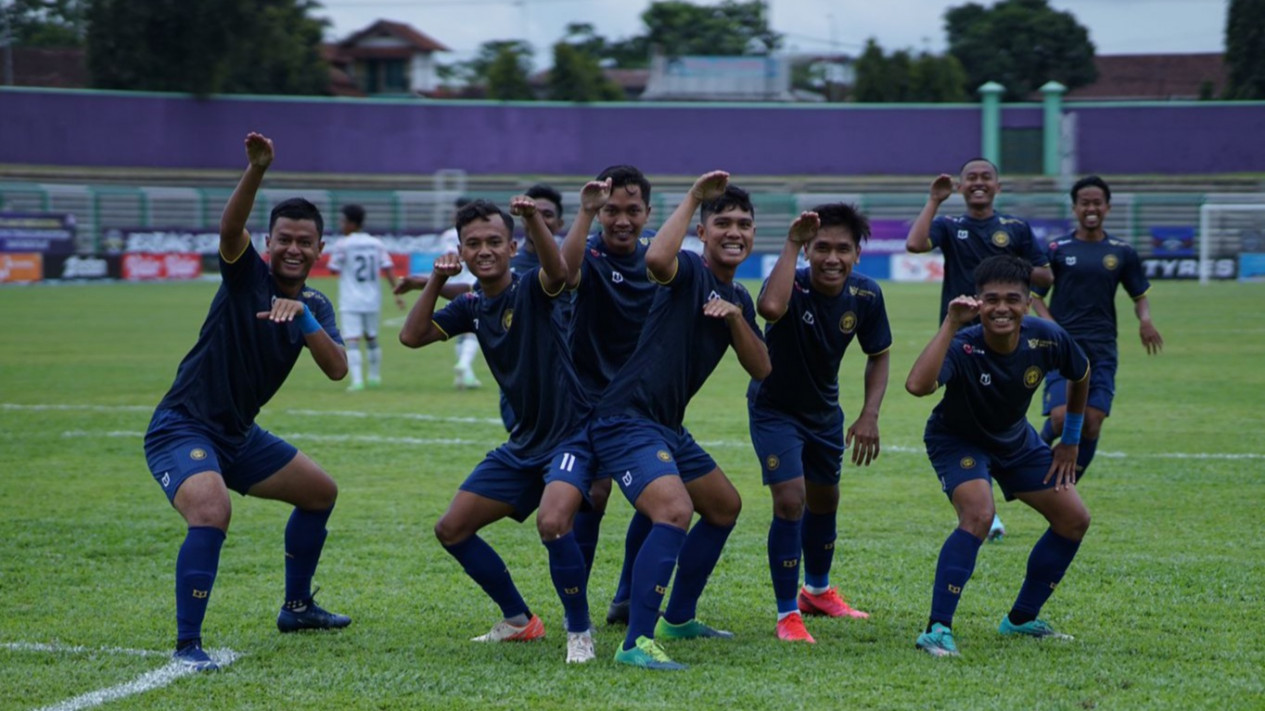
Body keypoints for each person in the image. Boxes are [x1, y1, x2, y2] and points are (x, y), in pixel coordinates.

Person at [143, 133, 352, 672]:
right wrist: (256, 168)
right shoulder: (246, 277)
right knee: (212, 510)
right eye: (284, 239)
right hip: (183, 427)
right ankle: (187, 647)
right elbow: (229, 230)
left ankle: (298, 608)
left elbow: (337, 369)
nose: (294, 249)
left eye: (305, 242)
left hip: (237, 435)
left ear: (318, 249)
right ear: (269, 241)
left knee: (320, 493)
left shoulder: (314, 303)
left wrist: (303, 315)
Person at [399, 197, 598, 664]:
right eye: (473, 243)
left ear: (512, 247)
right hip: (524, 444)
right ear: (461, 251)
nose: (484, 250)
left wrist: (533, 220)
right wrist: (436, 279)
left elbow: (559, 272)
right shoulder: (470, 305)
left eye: (493, 241)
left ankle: (579, 632)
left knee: (552, 523)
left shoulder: (532, 288)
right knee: (452, 528)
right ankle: (518, 620)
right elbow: (412, 335)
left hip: (571, 437)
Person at [590, 171, 771, 671]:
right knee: (674, 510)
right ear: (703, 232)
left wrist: (736, 318)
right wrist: (694, 196)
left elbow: (762, 368)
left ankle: (679, 618)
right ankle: (636, 643)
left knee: (724, 506)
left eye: (744, 224)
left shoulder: (739, 298)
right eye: (724, 223)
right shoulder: (689, 270)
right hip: (625, 419)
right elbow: (655, 259)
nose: (735, 231)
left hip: (667, 425)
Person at [905, 255, 1091, 658]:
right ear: (978, 302)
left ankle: (1021, 620)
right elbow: (918, 386)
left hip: (1014, 440)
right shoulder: (963, 342)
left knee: (1074, 519)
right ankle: (937, 630)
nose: (1001, 308)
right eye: (991, 300)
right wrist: (951, 322)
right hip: (957, 440)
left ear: (1027, 303)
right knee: (978, 515)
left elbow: (1081, 373)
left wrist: (1071, 440)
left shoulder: (1047, 337)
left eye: (1012, 299)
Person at [748, 203, 892, 644]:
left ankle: (817, 590)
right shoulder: (791, 283)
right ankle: (787, 613)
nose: (833, 258)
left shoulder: (866, 296)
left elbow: (879, 353)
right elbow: (770, 308)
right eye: (822, 247)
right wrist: (791, 241)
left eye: (843, 249)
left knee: (825, 500)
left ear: (857, 254)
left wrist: (869, 414)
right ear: (807, 249)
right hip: (775, 408)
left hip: (825, 412)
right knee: (791, 502)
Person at [905, 157, 1054, 542]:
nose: (978, 182)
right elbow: (915, 243)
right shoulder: (952, 227)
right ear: (960, 186)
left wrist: (1008, 270)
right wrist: (934, 201)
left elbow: (1044, 275)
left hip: (1007, 339)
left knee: (996, 412)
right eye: (970, 177)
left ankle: (989, 494)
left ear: (998, 186)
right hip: (962, 340)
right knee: (966, 415)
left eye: (986, 177)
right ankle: (981, 500)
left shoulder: (1015, 228)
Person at [557, 166, 658, 622]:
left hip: (642, 403)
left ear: (647, 212)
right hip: (588, 400)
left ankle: (626, 597)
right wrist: (584, 211)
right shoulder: (589, 253)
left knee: (662, 499)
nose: (621, 220)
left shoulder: (659, 257)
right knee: (592, 497)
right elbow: (564, 272)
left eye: (632, 210)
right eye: (610, 210)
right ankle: (574, 610)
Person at [1032, 176, 1163, 479]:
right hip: (1061, 347)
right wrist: (1054, 328)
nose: (1091, 208)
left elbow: (1139, 296)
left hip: (1102, 347)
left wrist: (1145, 321)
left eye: (1097, 203)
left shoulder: (1122, 252)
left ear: (1107, 207)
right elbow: (1035, 298)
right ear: (1075, 208)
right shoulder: (1057, 249)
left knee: (1092, 420)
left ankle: (1066, 486)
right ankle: (1030, 458)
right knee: (1063, 417)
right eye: (1084, 203)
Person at [325, 204, 405, 391]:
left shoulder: (342, 244)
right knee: (371, 338)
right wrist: (397, 294)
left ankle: (357, 381)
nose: (341, 225)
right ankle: (375, 377)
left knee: (352, 340)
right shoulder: (376, 243)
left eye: (343, 221)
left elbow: (332, 269)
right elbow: (388, 269)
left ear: (352, 223)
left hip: (351, 299)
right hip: (372, 299)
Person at [437, 197, 484, 390]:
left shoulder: (447, 235)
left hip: (452, 285)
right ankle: (464, 365)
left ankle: (467, 376)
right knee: (473, 331)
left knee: (460, 330)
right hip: (470, 284)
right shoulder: (476, 233)